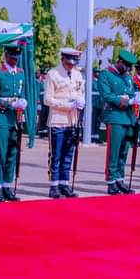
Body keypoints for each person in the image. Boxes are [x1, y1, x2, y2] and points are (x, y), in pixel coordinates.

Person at [0, 42, 27, 202]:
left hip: (15, 119)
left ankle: (7, 186)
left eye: (17, 57)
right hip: (2, 118)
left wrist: (23, 101)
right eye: (12, 56)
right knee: (0, 154)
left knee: (13, 154)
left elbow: (21, 92)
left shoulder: (20, 73)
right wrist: (8, 103)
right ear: (6, 56)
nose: (15, 59)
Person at [99, 50, 140, 195]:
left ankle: (119, 179)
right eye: (127, 66)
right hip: (115, 116)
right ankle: (111, 181)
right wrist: (124, 100)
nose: (128, 69)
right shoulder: (106, 75)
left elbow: (130, 93)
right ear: (120, 62)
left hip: (128, 118)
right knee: (114, 151)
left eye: (130, 67)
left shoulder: (128, 78)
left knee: (124, 151)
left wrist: (135, 97)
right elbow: (107, 95)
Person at [44, 48, 85, 198]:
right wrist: (66, 105)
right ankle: (53, 185)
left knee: (68, 154)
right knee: (56, 155)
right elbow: (47, 99)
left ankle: (64, 184)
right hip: (57, 120)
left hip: (72, 121)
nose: (70, 66)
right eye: (68, 63)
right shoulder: (53, 74)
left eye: (73, 63)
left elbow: (80, 92)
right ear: (63, 59)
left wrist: (81, 102)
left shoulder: (77, 74)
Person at [91, 67, 104, 144]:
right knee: (93, 121)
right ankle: (92, 137)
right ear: (93, 73)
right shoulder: (92, 82)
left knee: (98, 122)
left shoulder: (100, 82)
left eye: (99, 72)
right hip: (94, 104)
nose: (98, 74)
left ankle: (96, 136)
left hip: (99, 104)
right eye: (96, 72)